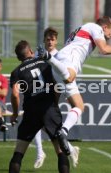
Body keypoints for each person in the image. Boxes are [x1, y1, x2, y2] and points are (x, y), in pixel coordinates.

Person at [38, 16, 111, 151]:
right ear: (104, 27)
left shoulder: (82, 30)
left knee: (79, 106)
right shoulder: (95, 27)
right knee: (69, 77)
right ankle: (48, 58)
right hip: (68, 61)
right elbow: (104, 50)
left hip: (59, 66)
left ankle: (63, 131)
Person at [9, 40, 70, 173]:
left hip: (31, 111)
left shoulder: (17, 72)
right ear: (31, 51)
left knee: (19, 152)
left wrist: (14, 113)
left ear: (19, 58)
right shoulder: (45, 64)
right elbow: (57, 87)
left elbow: (14, 94)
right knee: (60, 151)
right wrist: (54, 103)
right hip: (49, 109)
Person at [34, 27, 80, 169]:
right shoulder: (37, 54)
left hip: (51, 95)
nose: (50, 42)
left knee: (51, 130)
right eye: (48, 39)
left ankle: (69, 149)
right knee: (36, 123)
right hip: (38, 92)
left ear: (56, 41)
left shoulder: (58, 55)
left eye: (52, 39)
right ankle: (41, 152)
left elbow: (61, 80)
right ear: (44, 40)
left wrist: (55, 97)